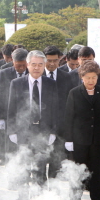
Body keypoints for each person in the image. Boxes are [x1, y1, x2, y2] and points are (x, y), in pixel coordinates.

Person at [7, 50, 58, 200]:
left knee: (40, 169)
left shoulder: (51, 84)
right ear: (27, 65)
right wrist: (12, 131)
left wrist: (53, 131)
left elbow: (55, 109)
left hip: (42, 133)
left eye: (40, 65)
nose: (37, 68)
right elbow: (11, 109)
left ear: (44, 66)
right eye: (34, 64)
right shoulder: (17, 83)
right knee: (23, 168)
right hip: (23, 132)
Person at [64, 60, 100, 200]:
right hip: (79, 140)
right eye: (88, 77)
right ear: (82, 77)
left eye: (94, 77)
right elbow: (69, 117)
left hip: (98, 140)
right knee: (77, 172)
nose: (91, 81)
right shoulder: (74, 93)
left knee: (97, 173)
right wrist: (68, 139)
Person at [43, 45, 73, 180]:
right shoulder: (37, 76)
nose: (52, 63)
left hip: (61, 127)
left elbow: (70, 103)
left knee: (57, 161)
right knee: (40, 161)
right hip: (42, 127)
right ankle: (41, 189)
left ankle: (54, 188)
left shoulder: (66, 77)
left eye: (55, 60)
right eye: (49, 60)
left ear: (60, 59)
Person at [0, 48, 28, 165]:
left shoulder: (32, 73)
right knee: (11, 146)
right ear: (13, 62)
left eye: (24, 65)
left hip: (27, 114)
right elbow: (1, 95)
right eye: (18, 65)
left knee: (25, 148)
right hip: (10, 114)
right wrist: (1, 117)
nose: (21, 68)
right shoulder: (4, 73)